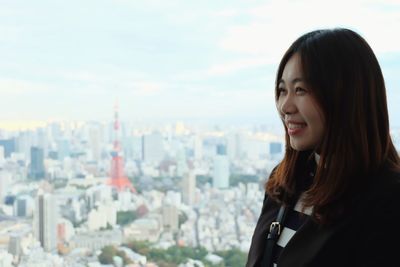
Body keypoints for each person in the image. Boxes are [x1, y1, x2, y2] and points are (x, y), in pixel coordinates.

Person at [246, 28, 400, 267]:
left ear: (346, 96)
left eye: (301, 90)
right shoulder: (286, 182)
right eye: (282, 90)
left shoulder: (387, 200)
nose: (285, 106)